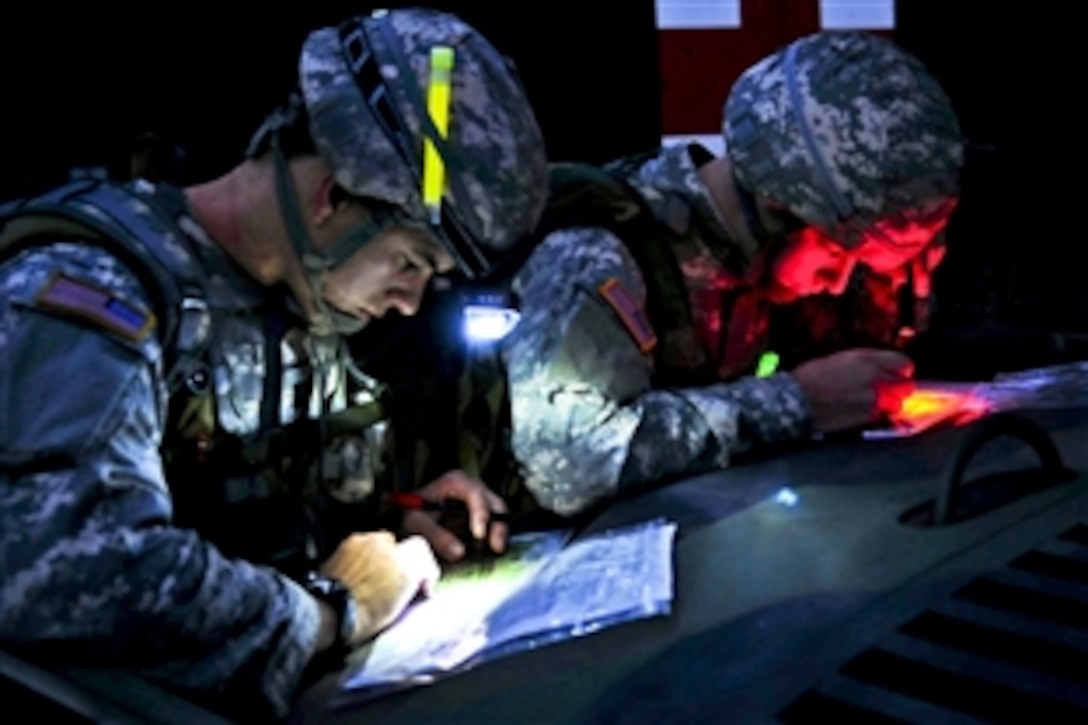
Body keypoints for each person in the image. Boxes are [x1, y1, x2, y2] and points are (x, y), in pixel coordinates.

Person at [0, 7, 547, 720]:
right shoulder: (90, 289)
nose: (411, 300)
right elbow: (70, 569)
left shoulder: (297, 301)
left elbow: (247, 517)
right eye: (411, 260)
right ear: (333, 199)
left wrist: (396, 520)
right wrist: (335, 608)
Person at [481, 30, 964, 517]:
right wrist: (797, 403)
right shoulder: (598, 250)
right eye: (837, 258)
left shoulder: (749, 260)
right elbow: (568, 464)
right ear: (777, 207)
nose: (838, 282)